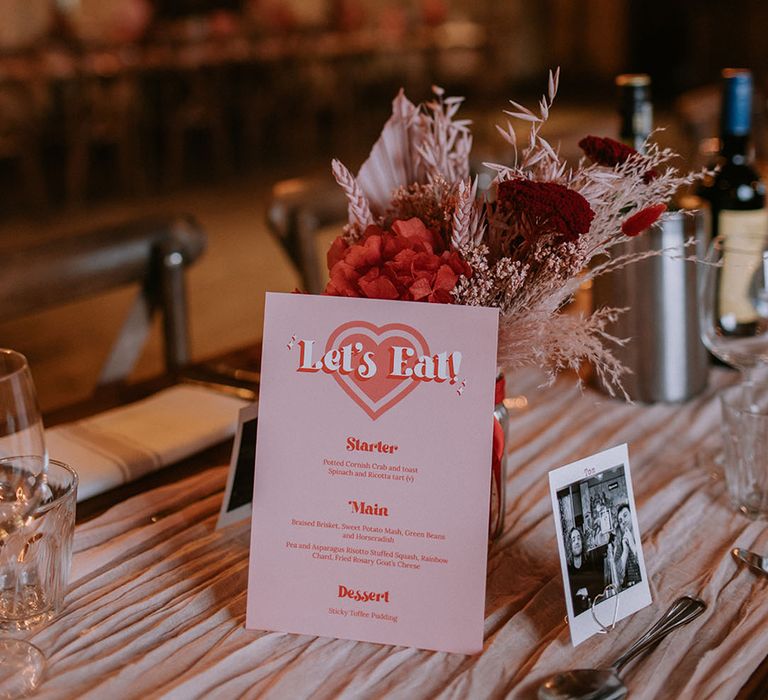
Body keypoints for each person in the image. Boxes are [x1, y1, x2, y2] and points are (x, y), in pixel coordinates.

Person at [566, 526, 604, 615]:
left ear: (582, 542)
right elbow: (569, 594)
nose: (577, 542)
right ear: (569, 545)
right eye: (573, 539)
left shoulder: (590, 561)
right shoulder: (568, 569)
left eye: (579, 538)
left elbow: (600, 584)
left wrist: (585, 590)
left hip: (594, 609)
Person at [609, 504, 641, 590]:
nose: (623, 521)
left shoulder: (642, 533)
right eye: (620, 520)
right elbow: (617, 579)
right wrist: (625, 551)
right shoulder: (620, 546)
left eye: (625, 515)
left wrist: (632, 545)